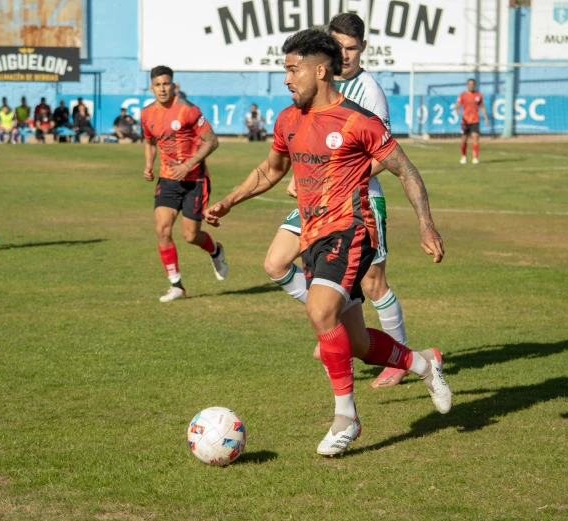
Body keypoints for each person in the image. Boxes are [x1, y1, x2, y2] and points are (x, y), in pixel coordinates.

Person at [204, 29, 451, 456]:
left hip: (352, 228)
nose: (286, 78)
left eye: (293, 69)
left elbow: (405, 170)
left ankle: (346, 418)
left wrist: (426, 225)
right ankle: (423, 365)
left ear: (320, 70)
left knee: (321, 310)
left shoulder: (357, 120)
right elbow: (270, 169)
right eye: (285, 69)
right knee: (355, 344)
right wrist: (229, 201)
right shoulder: (288, 120)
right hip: (314, 230)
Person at [263, 13, 410, 389]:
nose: (344, 54)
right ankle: (328, 317)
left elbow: (385, 154)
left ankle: (399, 357)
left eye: (351, 47)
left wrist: (338, 178)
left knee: (375, 282)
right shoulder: (312, 91)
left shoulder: (368, 91)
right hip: (316, 202)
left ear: (362, 48)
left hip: (358, 202)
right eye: (338, 46)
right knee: (276, 262)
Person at [140, 65, 226, 302]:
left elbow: (212, 141)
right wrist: (149, 164)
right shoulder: (147, 114)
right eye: (157, 85)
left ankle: (215, 250)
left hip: (194, 180)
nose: (162, 89)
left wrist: (188, 165)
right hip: (167, 180)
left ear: (173, 85)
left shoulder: (188, 110)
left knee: (191, 236)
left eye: (166, 84)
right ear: (151, 87)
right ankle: (177, 285)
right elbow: (149, 141)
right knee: (162, 229)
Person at [456, 78, 489, 164]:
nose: (471, 85)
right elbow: (457, 105)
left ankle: (475, 158)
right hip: (465, 121)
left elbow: (482, 107)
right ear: (467, 85)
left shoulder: (478, 95)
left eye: (472, 84)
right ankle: (464, 156)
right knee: (464, 140)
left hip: (475, 120)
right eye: (469, 84)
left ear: (474, 85)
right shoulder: (463, 95)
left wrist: (486, 118)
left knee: (475, 138)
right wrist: (457, 110)